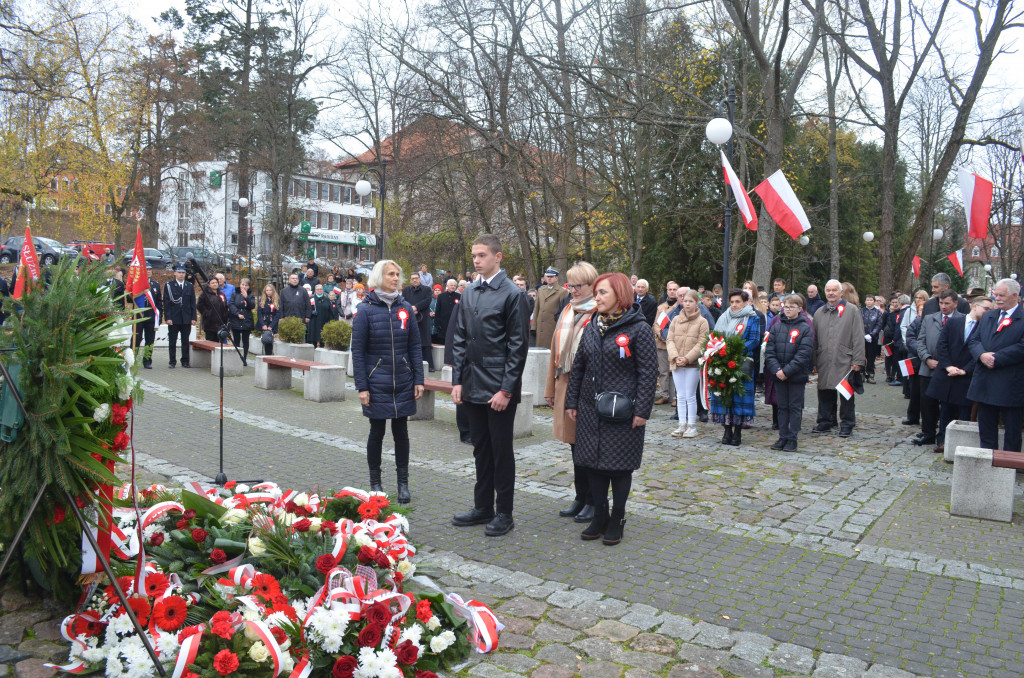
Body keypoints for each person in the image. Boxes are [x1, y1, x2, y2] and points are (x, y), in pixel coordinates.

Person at [565, 272, 657, 545]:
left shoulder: (639, 328)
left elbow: (648, 373)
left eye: (603, 292)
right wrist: (572, 401)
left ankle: (617, 518)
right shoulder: (593, 325)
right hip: (590, 408)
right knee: (592, 464)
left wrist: (642, 410)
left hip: (622, 411)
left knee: (619, 467)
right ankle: (600, 515)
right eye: (596, 292)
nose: (597, 297)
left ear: (620, 295)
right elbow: (579, 365)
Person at [450, 234, 530, 537]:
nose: (476, 260)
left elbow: (517, 346)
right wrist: (457, 381)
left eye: (481, 255)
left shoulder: (512, 294)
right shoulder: (469, 291)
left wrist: (506, 390)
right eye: (473, 255)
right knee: (480, 449)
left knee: (500, 451)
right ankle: (482, 506)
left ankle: (504, 512)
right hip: (471, 385)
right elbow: (459, 339)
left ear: (498, 257)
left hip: (498, 388)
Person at [351, 260, 424, 503]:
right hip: (376, 382)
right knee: (377, 431)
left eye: (397, 274)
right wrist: (362, 386)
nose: (395, 278)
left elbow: (415, 345)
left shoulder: (405, 308)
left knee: (401, 432)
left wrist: (418, 379)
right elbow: (358, 352)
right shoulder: (365, 310)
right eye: (390, 274)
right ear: (378, 277)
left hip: (403, 380)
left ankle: (403, 483)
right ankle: (376, 483)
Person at [544, 262, 599, 524]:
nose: (574, 290)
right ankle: (580, 496)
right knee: (573, 446)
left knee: (588, 446)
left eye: (579, 286)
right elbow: (555, 352)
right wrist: (550, 388)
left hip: (588, 388)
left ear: (592, 285)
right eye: (571, 285)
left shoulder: (599, 312)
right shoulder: (568, 309)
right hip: (566, 385)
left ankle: (593, 500)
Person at [928, 294, 990, 453]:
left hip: (967, 377)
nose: (989, 312)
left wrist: (965, 370)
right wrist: (948, 366)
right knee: (945, 410)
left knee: (964, 413)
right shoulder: (954, 322)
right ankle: (943, 441)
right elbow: (942, 345)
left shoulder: (985, 328)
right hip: (948, 374)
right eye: (986, 309)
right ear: (975, 306)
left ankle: (961, 445)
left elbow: (980, 351)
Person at [968, 279, 1024, 452]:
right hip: (985, 381)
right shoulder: (989, 316)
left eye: (1001, 295)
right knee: (986, 428)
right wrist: (982, 355)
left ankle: (1010, 468)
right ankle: (987, 461)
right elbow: (974, 340)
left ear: (1015, 296)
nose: (997, 299)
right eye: (995, 295)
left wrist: (997, 358)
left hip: (1010, 383)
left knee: (1012, 431)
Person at [812, 279, 866, 437]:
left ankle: (847, 423)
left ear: (841, 292)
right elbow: (814, 340)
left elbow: (858, 336)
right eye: (828, 290)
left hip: (845, 359)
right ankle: (825, 420)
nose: (831, 293)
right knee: (824, 391)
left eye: (834, 290)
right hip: (824, 358)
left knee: (846, 393)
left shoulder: (852, 311)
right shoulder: (819, 313)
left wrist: (858, 360)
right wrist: (814, 360)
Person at [709, 289, 760, 445]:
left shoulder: (752, 318)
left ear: (745, 302)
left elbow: (754, 339)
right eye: (732, 302)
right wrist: (720, 351)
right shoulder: (724, 317)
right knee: (724, 395)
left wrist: (736, 350)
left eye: (738, 302)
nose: (734, 305)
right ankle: (726, 430)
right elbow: (716, 337)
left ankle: (737, 432)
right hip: (723, 360)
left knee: (739, 396)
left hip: (741, 362)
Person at [765, 294, 814, 450]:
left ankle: (792, 438)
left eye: (792, 307)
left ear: (799, 309)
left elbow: (803, 354)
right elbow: (770, 351)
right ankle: (782, 436)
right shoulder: (777, 327)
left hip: (796, 375)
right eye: (786, 306)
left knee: (794, 407)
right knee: (782, 407)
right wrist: (777, 370)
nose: (788, 310)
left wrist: (787, 371)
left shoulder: (805, 328)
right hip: (779, 375)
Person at [913, 289, 961, 447]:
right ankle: (928, 433)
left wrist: (948, 364)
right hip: (928, 367)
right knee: (927, 403)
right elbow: (920, 341)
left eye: (947, 303)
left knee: (948, 405)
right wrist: (927, 358)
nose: (943, 306)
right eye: (941, 303)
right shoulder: (929, 318)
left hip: (950, 370)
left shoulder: (962, 319)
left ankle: (944, 436)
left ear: (955, 303)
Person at [666, 289, 709, 438]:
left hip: (692, 364)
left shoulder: (702, 322)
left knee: (690, 395)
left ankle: (691, 425)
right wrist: (675, 356)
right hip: (677, 362)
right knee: (681, 395)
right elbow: (670, 339)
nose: (687, 304)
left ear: (697, 303)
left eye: (691, 301)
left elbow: (702, 342)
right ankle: (681, 424)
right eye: (685, 301)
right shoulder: (676, 319)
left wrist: (687, 358)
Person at [163, 265, 197, 368]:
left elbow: (192, 303)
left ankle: (185, 361)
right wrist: (168, 317)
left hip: (186, 318)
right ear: (175, 273)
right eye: (179, 272)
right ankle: (172, 361)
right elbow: (166, 303)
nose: (181, 274)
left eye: (183, 273)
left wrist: (193, 317)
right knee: (172, 341)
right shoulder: (169, 285)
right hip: (174, 317)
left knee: (185, 341)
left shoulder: (189, 285)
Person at [653, 281, 679, 406]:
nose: (672, 291)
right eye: (670, 289)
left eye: (674, 289)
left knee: (674, 370)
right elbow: (656, 324)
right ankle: (664, 394)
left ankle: (675, 396)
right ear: (667, 290)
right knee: (663, 371)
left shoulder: (681, 307)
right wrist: (660, 335)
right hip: (662, 344)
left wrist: (670, 337)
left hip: (675, 344)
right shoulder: (661, 307)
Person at [402, 272, 435, 371]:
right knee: (411, 340)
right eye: (412, 278)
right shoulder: (406, 290)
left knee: (425, 341)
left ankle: (429, 366)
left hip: (423, 318)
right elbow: (403, 301)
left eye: (416, 278)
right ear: (410, 280)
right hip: (410, 317)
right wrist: (410, 308)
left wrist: (416, 307)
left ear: (420, 279)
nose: (414, 280)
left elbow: (428, 300)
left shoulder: (427, 289)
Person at [133, 263, 162, 369]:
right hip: (138, 317)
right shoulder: (136, 284)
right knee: (136, 339)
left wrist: (159, 319)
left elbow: (159, 303)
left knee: (150, 340)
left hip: (151, 317)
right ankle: (133, 359)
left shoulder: (156, 285)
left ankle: (147, 361)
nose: (148, 271)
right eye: (146, 270)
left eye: (150, 269)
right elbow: (129, 300)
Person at [535, 267, 568, 353]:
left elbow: (562, 311)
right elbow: (537, 308)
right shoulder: (541, 289)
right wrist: (534, 325)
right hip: (540, 326)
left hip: (552, 326)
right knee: (539, 351)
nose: (549, 278)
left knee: (550, 351)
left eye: (551, 277)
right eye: (548, 276)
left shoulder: (562, 291)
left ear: (556, 278)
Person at [227, 277, 255, 362]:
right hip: (236, 320)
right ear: (240, 285)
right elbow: (231, 305)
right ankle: (236, 357)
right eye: (242, 284)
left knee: (245, 341)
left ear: (249, 286)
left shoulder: (251, 295)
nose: (244, 286)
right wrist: (237, 314)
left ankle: (244, 358)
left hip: (246, 321)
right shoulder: (235, 294)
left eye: (246, 285)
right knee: (236, 340)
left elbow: (252, 306)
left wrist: (247, 297)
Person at [197, 276, 230, 342]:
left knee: (218, 343)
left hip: (221, 323)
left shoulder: (221, 294)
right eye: (213, 283)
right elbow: (199, 305)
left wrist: (226, 315)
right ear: (209, 284)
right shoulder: (205, 294)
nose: (215, 284)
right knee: (210, 342)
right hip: (210, 323)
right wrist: (207, 313)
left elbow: (225, 305)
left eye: (216, 283)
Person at [861, 294, 883, 383]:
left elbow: (879, 325)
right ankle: (861, 374)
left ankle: (870, 375)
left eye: (871, 300)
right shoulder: (861, 311)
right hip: (862, 338)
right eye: (867, 300)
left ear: (874, 301)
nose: (869, 302)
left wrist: (872, 334)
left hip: (873, 339)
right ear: (865, 301)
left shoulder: (878, 313)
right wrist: (863, 334)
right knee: (862, 356)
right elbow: (858, 323)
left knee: (871, 357)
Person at [257, 284, 281, 356]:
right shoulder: (262, 300)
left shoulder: (277, 300)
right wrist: (263, 324)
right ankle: (266, 355)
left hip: (272, 322)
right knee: (265, 339)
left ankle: (269, 355)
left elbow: (278, 314)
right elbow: (259, 313)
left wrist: (271, 326)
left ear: (273, 291)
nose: (268, 292)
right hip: (264, 322)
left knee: (270, 340)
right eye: (267, 290)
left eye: (270, 290)